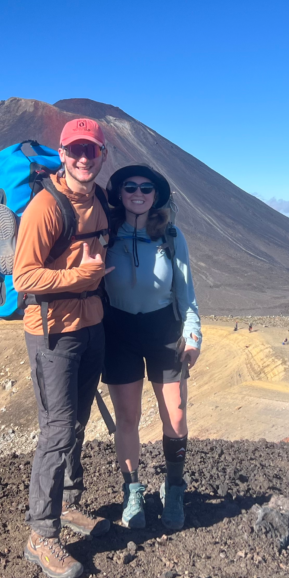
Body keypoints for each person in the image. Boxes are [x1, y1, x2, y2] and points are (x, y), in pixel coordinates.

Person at [11, 117, 113, 578]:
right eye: (75, 150)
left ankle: (70, 504)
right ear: (63, 153)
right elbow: (24, 277)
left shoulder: (102, 201)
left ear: (102, 155)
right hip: (52, 332)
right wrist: (80, 279)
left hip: (91, 327)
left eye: (91, 150)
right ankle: (41, 534)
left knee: (77, 423)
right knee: (56, 430)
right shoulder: (45, 208)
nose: (83, 158)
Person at [102, 164, 201, 531]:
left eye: (146, 187)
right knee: (127, 419)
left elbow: (186, 296)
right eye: (130, 186)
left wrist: (192, 337)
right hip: (119, 331)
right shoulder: (105, 235)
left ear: (156, 195)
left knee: (175, 417)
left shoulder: (172, 237)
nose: (138, 192)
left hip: (163, 331)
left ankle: (174, 487)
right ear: (120, 193)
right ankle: (132, 491)